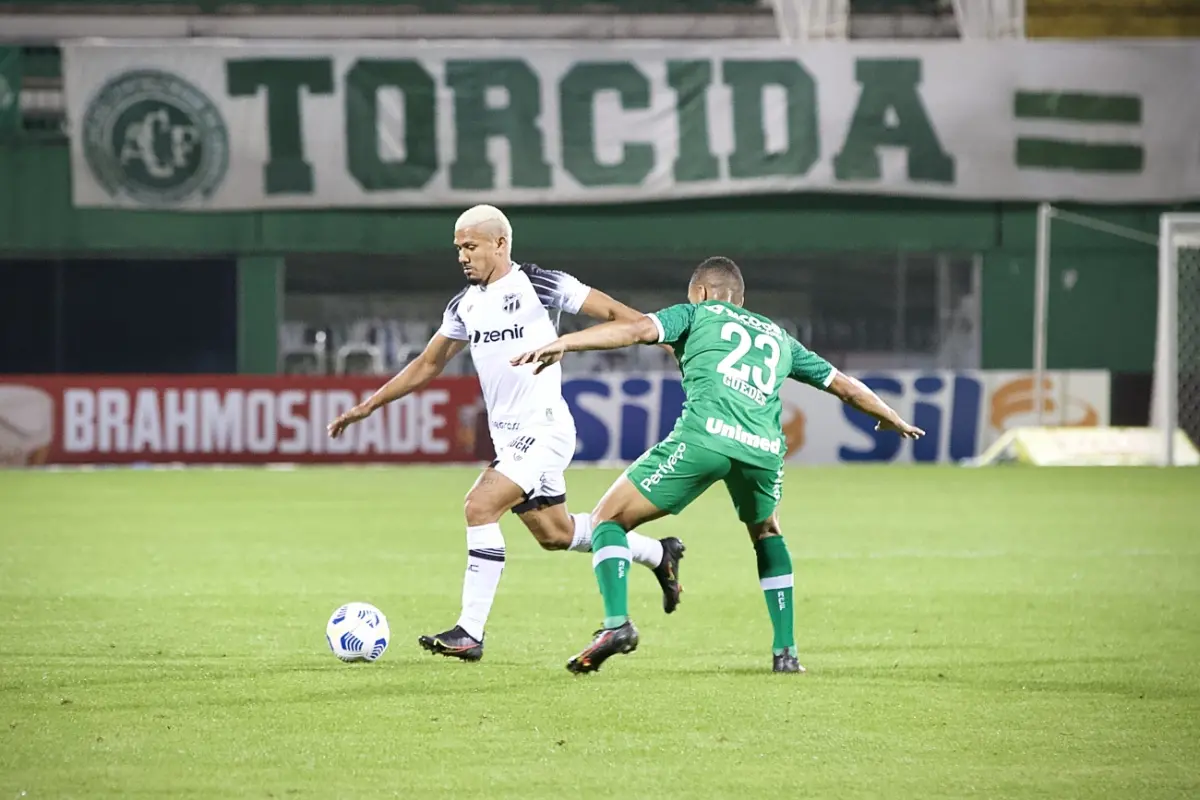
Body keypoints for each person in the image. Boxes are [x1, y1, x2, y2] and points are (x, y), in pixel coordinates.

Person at [511, 256, 925, 674]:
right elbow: (842, 384)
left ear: (703, 292)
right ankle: (787, 654)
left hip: (705, 439)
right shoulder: (779, 337)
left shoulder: (694, 314)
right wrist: (891, 416)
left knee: (608, 521)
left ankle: (616, 625)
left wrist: (567, 342)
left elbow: (636, 330)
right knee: (766, 533)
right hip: (763, 450)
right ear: (739, 299)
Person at [327, 205, 685, 662]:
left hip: (543, 430)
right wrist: (369, 405)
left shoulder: (540, 284)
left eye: (470, 246)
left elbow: (618, 315)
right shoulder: (465, 304)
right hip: (511, 436)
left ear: (500, 244)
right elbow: (429, 364)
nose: (462, 255)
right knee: (556, 533)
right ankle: (659, 553)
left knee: (479, 505)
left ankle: (469, 632)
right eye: (458, 247)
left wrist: (663, 336)